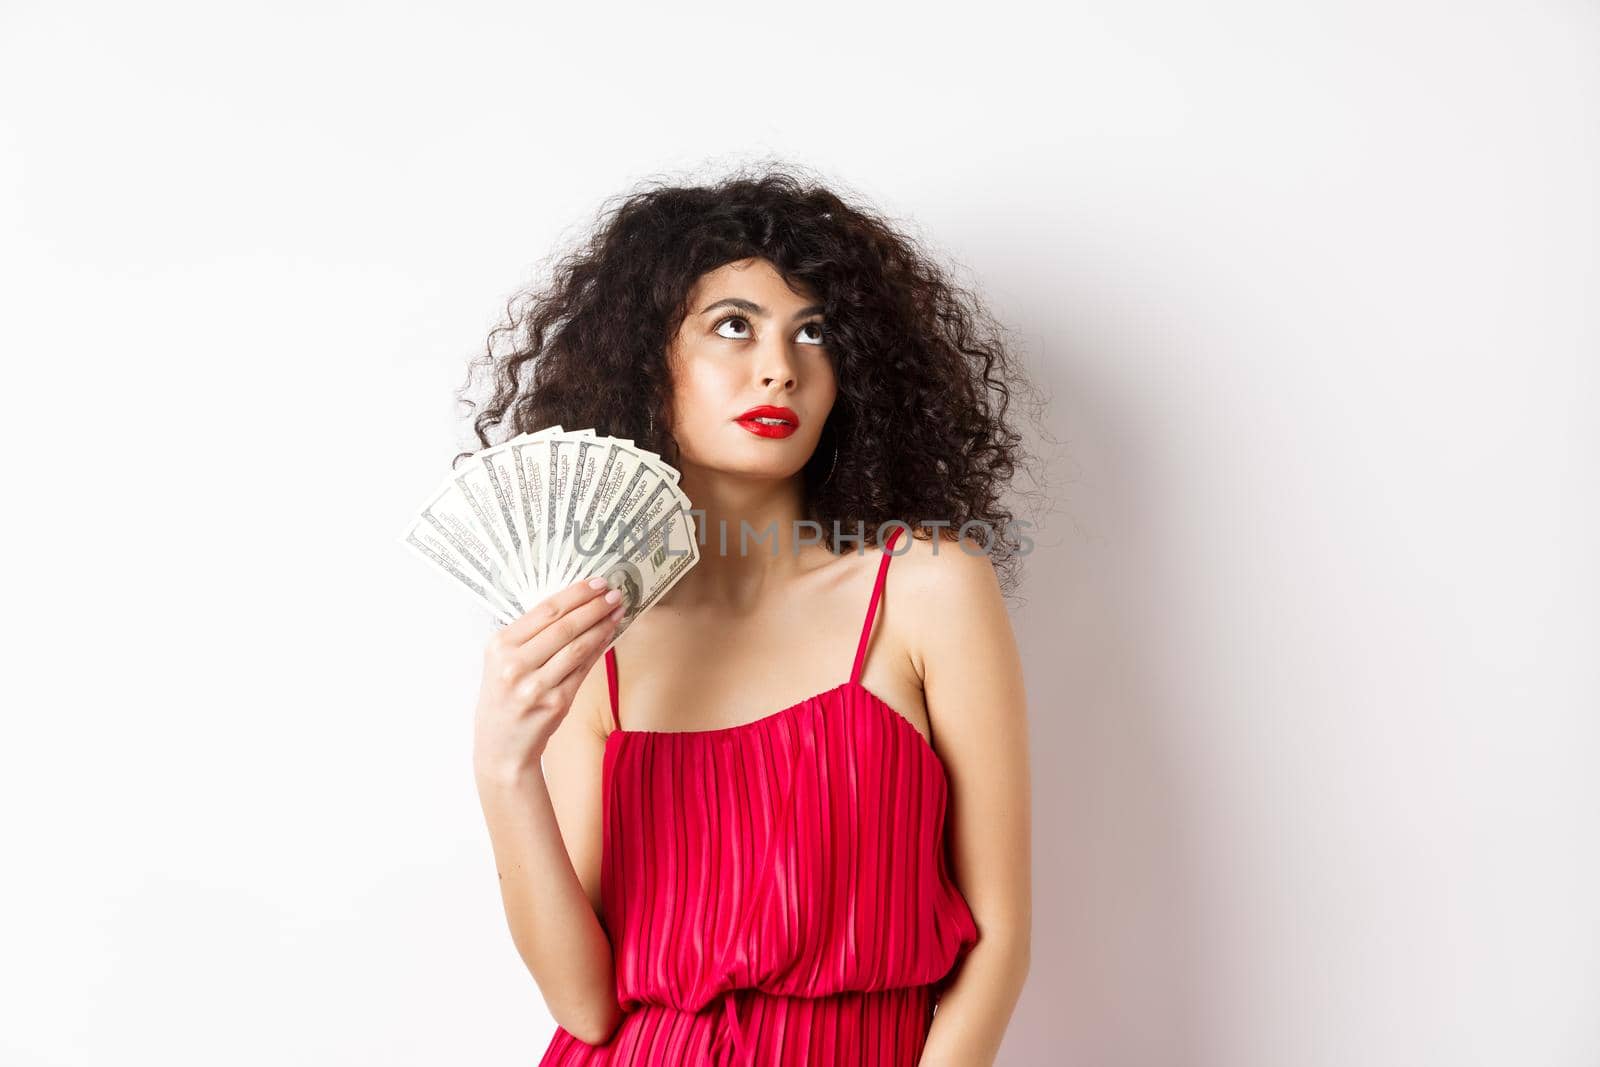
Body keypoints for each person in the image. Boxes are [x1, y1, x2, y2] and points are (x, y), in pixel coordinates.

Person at [462, 165, 1036, 1065]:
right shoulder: (600, 633)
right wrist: (504, 766)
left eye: (814, 333)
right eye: (734, 325)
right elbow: (583, 1006)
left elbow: (998, 942)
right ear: (648, 355)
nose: (780, 367)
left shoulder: (927, 589)